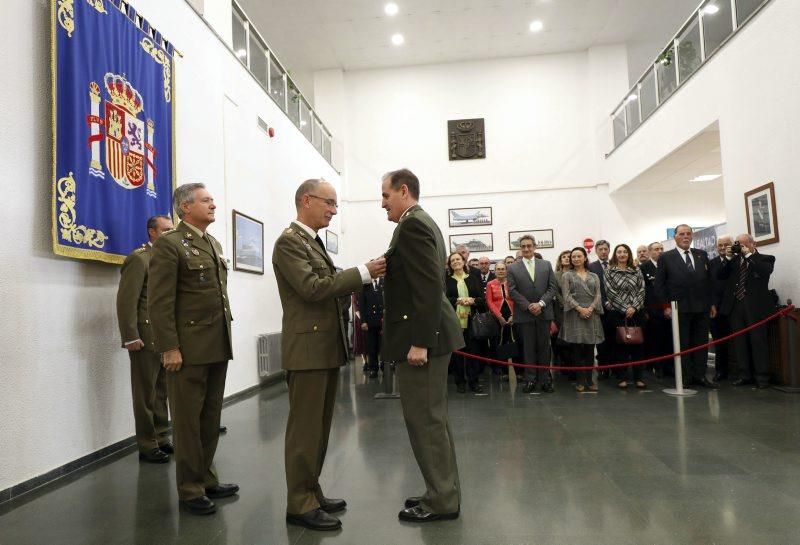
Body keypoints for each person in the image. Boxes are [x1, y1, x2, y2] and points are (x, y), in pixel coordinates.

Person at [272, 179, 386, 531]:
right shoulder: (290, 243)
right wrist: (363, 273)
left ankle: (311, 490)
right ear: (306, 200)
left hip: (321, 347)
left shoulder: (311, 242)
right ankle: (299, 503)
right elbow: (312, 289)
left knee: (319, 429)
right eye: (330, 203)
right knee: (305, 430)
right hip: (307, 349)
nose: (334, 211)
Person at [380, 168, 463, 523]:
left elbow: (429, 288)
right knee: (433, 420)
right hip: (428, 335)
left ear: (403, 191)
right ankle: (440, 490)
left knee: (425, 421)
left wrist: (420, 342)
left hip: (423, 340)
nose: (382, 204)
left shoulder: (413, 224)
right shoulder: (419, 221)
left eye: (385, 196)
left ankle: (442, 500)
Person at [148, 183, 237, 515]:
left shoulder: (211, 242)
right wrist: (169, 347)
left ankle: (206, 478)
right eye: (206, 200)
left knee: (210, 419)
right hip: (187, 349)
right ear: (185, 207)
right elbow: (159, 302)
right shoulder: (170, 245)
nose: (213, 204)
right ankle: (189, 490)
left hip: (216, 344)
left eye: (213, 199)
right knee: (187, 422)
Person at [116, 215, 174, 464]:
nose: (171, 234)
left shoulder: (168, 259)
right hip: (145, 334)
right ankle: (147, 444)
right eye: (166, 230)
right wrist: (130, 336)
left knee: (162, 390)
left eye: (173, 230)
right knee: (145, 392)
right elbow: (126, 300)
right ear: (152, 232)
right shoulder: (140, 259)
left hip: (164, 336)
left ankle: (161, 437)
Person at [654, 224, 718, 389]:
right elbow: (659, 285)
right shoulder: (666, 257)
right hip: (678, 309)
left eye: (688, 234)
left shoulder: (701, 255)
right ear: (675, 237)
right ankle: (686, 377)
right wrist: (665, 306)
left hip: (702, 307)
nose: (685, 236)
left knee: (701, 343)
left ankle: (700, 375)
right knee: (683, 344)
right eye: (681, 234)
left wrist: (711, 303)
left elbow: (709, 282)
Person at [716, 233, 776, 388]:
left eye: (743, 244)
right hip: (736, 307)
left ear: (753, 244)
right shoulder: (734, 261)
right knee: (740, 343)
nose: (740, 246)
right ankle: (744, 375)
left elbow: (764, 272)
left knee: (758, 342)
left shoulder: (766, 258)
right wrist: (728, 258)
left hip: (756, 307)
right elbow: (720, 275)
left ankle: (762, 377)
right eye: (738, 244)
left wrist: (748, 255)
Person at [507, 235, 558, 393]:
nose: (526, 249)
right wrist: (528, 306)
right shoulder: (513, 268)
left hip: (544, 313)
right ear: (520, 248)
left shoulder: (546, 265)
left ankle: (545, 379)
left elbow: (552, 288)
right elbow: (512, 291)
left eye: (529, 246)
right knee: (528, 348)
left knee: (544, 347)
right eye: (523, 246)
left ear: (535, 247)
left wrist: (541, 304)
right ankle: (530, 379)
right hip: (525, 314)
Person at [559, 247, 604, 392]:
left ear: (585, 258)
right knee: (577, 350)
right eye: (573, 257)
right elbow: (566, 296)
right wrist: (580, 309)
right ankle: (579, 381)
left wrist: (590, 309)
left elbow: (598, 295)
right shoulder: (567, 275)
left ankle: (590, 380)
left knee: (590, 349)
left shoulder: (594, 276)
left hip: (592, 315)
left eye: (579, 256)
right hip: (575, 315)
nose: (576, 259)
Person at [605, 244, 647, 389]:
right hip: (618, 313)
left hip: (637, 313)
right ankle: (621, 377)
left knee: (638, 346)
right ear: (615, 255)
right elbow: (610, 292)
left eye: (624, 252)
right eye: (619, 252)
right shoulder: (609, 271)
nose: (622, 254)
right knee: (620, 346)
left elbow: (642, 290)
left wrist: (634, 307)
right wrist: (625, 308)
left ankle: (639, 377)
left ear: (628, 254)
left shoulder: (636, 270)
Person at [445, 252, 486, 393]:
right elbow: (444, 301)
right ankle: (460, 382)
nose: (456, 262)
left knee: (473, 352)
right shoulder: (446, 281)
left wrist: (473, 300)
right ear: (450, 265)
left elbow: (482, 300)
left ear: (463, 262)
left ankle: (473, 382)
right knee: (457, 354)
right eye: (452, 260)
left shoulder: (474, 278)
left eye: (458, 259)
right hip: (454, 322)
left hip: (472, 321)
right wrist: (457, 300)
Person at [640, 242, 673, 377]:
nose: (659, 251)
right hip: (653, 309)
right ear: (649, 251)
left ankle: (669, 366)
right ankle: (656, 365)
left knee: (669, 339)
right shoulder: (643, 267)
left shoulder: (669, 265)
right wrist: (645, 311)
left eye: (661, 249)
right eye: (656, 249)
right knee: (655, 339)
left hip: (670, 308)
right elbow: (643, 290)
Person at [486, 261, 519, 379]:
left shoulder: (512, 282)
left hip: (513, 316)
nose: (500, 271)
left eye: (503, 269)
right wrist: (499, 316)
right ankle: (504, 372)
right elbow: (489, 301)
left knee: (515, 342)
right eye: (498, 269)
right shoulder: (490, 284)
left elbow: (516, 299)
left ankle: (519, 372)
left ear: (506, 270)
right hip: (497, 318)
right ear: (494, 271)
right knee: (501, 343)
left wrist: (514, 315)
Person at [709, 235, 734, 381]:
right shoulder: (711, 263)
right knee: (719, 342)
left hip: (734, 307)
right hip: (716, 309)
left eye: (726, 245)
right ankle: (720, 371)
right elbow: (708, 286)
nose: (723, 247)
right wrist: (711, 304)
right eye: (720, 245)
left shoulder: (738, 260)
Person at [588, 240, 614, 378]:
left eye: (606, 249)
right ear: (596, 251)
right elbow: (592, 289)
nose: (603, 251)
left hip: (617, 309)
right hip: (600, 309)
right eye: (601, 249)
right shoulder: (591, 267)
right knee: (602, 341)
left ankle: (616, 368)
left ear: (609, 250)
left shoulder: (616, 264)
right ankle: (603, 368)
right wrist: (604, 302)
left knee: (615, 339)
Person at [358, 277, 384, 378]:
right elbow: (362, 304)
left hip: (382, 321)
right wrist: (363, 321)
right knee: (371, 347)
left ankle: (385, 366)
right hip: (370, 322)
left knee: (383, 346)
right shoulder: (365, 285)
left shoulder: (384, 282)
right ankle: (373, 368)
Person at [553, 250, 572, 373]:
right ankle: (564, 364)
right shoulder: (556, 274)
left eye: (568, 257)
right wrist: (566, 304)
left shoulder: (577, 273)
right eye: (563, 257)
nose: (566, 258)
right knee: (562, 338)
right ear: (560, 260)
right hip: (561, 310)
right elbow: (555, 292)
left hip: (576, 310)